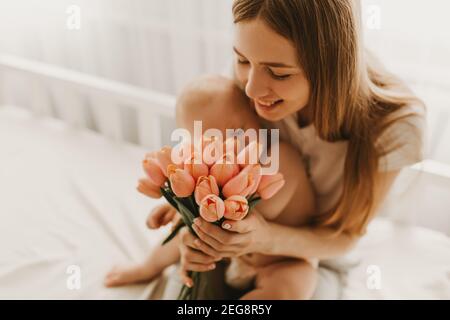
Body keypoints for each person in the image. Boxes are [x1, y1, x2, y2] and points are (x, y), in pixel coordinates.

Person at [172, 0, 425, 299]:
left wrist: (265, 240)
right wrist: (188, 224)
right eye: (241, 60)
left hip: (309, 255)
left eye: (279, 74)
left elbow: (343, 239)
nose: (251, 89)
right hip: (236, 239)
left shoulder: (394, 126)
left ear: (331, 68)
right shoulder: (257, 69)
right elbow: (216, 165)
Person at [105, 75, 319, 299]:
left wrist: (188, 214)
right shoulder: (209, 177)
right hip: (229, 257)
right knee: (188, 232)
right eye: (212, 147)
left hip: (279, 261)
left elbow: (246, 216)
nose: (230, 151)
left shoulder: (281, 158)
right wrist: (179, 209)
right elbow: (206, 216)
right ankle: (147, 268)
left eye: (238, 131)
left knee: (291, 285)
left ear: (255, 114)